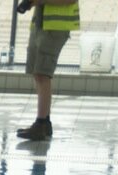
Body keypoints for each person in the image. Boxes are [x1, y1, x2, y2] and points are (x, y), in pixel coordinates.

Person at [15, 0, 79, 141]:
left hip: (55, 28)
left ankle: (41, 123)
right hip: (40, 24)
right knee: (37, 73)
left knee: (42, 74)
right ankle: (44, 122)